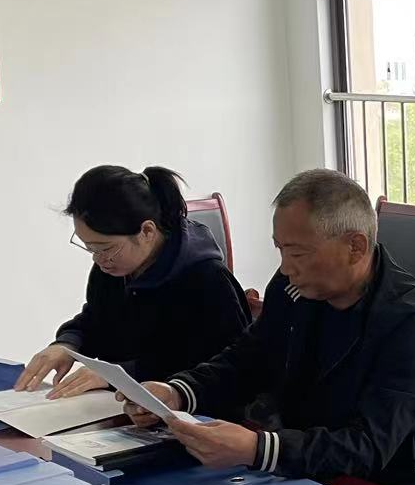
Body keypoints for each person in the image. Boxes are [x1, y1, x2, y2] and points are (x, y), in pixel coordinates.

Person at [124, 169, 415, 485]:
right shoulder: (293, 287)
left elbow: (368, 446)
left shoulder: (410, 321)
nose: (285, 267)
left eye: (297, 253)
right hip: (307, 473)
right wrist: (178, 392)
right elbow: (248, 359)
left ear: (355, 247)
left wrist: (257, 449)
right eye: (280, 249)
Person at [16, 165, 250, 397]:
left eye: (105, 248)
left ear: (147, 231)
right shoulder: (113, 269)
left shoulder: (206, 278)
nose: (98, 259)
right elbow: (97, 319)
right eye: (90, 248)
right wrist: (68, 344)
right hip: (123, 402)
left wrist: (120, 375)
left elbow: (224, 367)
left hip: (192, 410)